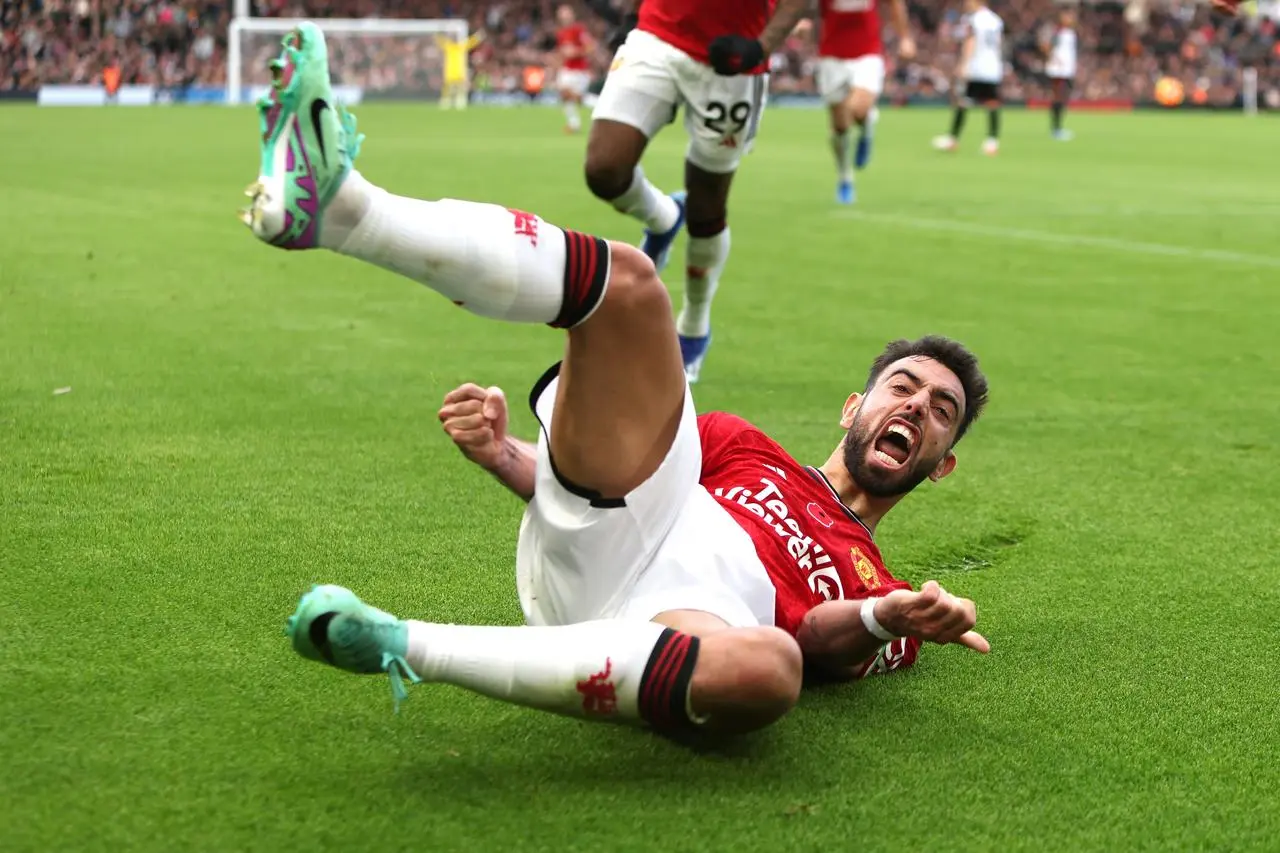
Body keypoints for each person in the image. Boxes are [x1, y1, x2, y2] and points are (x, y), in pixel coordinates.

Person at [240, 24, 990, 738]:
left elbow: (822, 639)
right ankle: (344, 211)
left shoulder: (886, 586)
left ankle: (403, 643)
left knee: (772, 669)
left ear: (943, 460)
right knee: (630, 285)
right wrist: (507, 456)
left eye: (940, 409)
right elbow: (617, 467)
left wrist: (884, 616)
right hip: (625, 528)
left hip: (692, 623)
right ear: (854, 405)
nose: (916, 405)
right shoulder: (743, 446)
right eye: (902, 386)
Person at [582, 0, 811, 384]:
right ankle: (664, 217)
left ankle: (693, 325)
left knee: (707, 208)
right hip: (657, 37)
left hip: (733, 58)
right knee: (604, 169)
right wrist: (632, 15)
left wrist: (759, 47)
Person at [812, 0, 916, 205]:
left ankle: (867, 128)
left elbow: (895, 4)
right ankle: (845, 177)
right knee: (840, 127)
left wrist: (905, 37)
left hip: (867, 53)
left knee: (859, 108)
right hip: (832, 56)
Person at [932, 0, 1004, 155]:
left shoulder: (972, 19)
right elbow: (998, 44)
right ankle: (992, 141)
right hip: (992, 67)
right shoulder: (995, 20)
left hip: (976, 67)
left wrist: (963, 64)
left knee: (963, 102)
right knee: (992, 103)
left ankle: (952, 139)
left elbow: (970, 41)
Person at [554, 4, 597, 134]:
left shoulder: (579, 30)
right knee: (565, 95)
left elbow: (591, 47)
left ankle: (598, 104)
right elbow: (563, 52)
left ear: (572, 15)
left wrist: (576, 52)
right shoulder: (561, 33)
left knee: (576, 97)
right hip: (567, 69)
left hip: (579, 70)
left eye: (566, 12)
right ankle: (574, 125)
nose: (564, 15)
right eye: (562, 13)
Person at [1042, 5, 1077, 141]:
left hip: (1067, 70)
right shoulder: (1058, 32)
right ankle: (1056, 129)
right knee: (1058, 97)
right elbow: (1046, 46)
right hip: (1058, 70)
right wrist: (1054, 59)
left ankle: (1058, 128)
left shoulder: (1070, 32)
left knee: (1063, 98)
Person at [436, 29, 484, 110]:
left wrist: (478, 36)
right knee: (447, 90)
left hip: (460, 74)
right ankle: (445, 103)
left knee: (460, 90)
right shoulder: (449, 47)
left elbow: (471, 42)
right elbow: (440, 41)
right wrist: (437, 34)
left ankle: (460, 103)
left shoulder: (461, 47)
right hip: (450, 73)